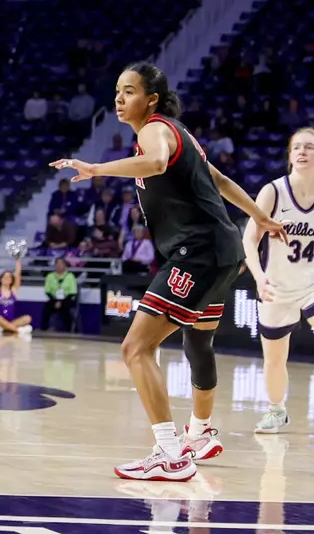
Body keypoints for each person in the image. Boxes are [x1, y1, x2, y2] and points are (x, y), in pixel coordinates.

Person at [52, 61, 286, 482]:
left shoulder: (154, 130)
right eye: (117, 91)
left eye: (129, 91)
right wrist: (260, 217)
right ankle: (198, 433)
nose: (120, 99)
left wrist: (96, 169)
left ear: (152, 99)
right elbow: (219, 180)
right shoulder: (186, 137)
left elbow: (157, 163)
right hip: (221, 249)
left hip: (196, 252)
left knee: (135, 349)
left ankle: (171, 454)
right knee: (196, 342)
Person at [244, 126, 314, 433]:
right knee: (273, 361)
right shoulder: (273, 191)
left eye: (309, 147)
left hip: (311, 285)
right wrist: (259, 278)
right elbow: (249, 240)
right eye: (297, 147)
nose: (302, 151)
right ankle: (276, 411)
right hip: (276, 286)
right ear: (289, 156)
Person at [0, 260, 32, 335]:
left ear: (12, 280)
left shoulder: (13, 291)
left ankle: (6, 328)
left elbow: (18, 274)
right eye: (5, 276)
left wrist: (18, 259)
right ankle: (15, 330)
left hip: (10, 321)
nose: (7, 278)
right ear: (1, 279)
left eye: (10, 277)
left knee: (28, 318)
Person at [42, 258, 78, 332]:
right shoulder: (50, 276)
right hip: (54, 299)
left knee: (67, 309)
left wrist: (61, 302)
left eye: (61, 264)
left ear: (65, 266)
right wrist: (56, 301)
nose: (59, 266)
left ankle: (69, 331)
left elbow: (73, 292)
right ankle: (44, 329)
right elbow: (47, 291)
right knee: (46, 307)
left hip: (67, 299)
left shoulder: (70, 276)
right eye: (57, 264)